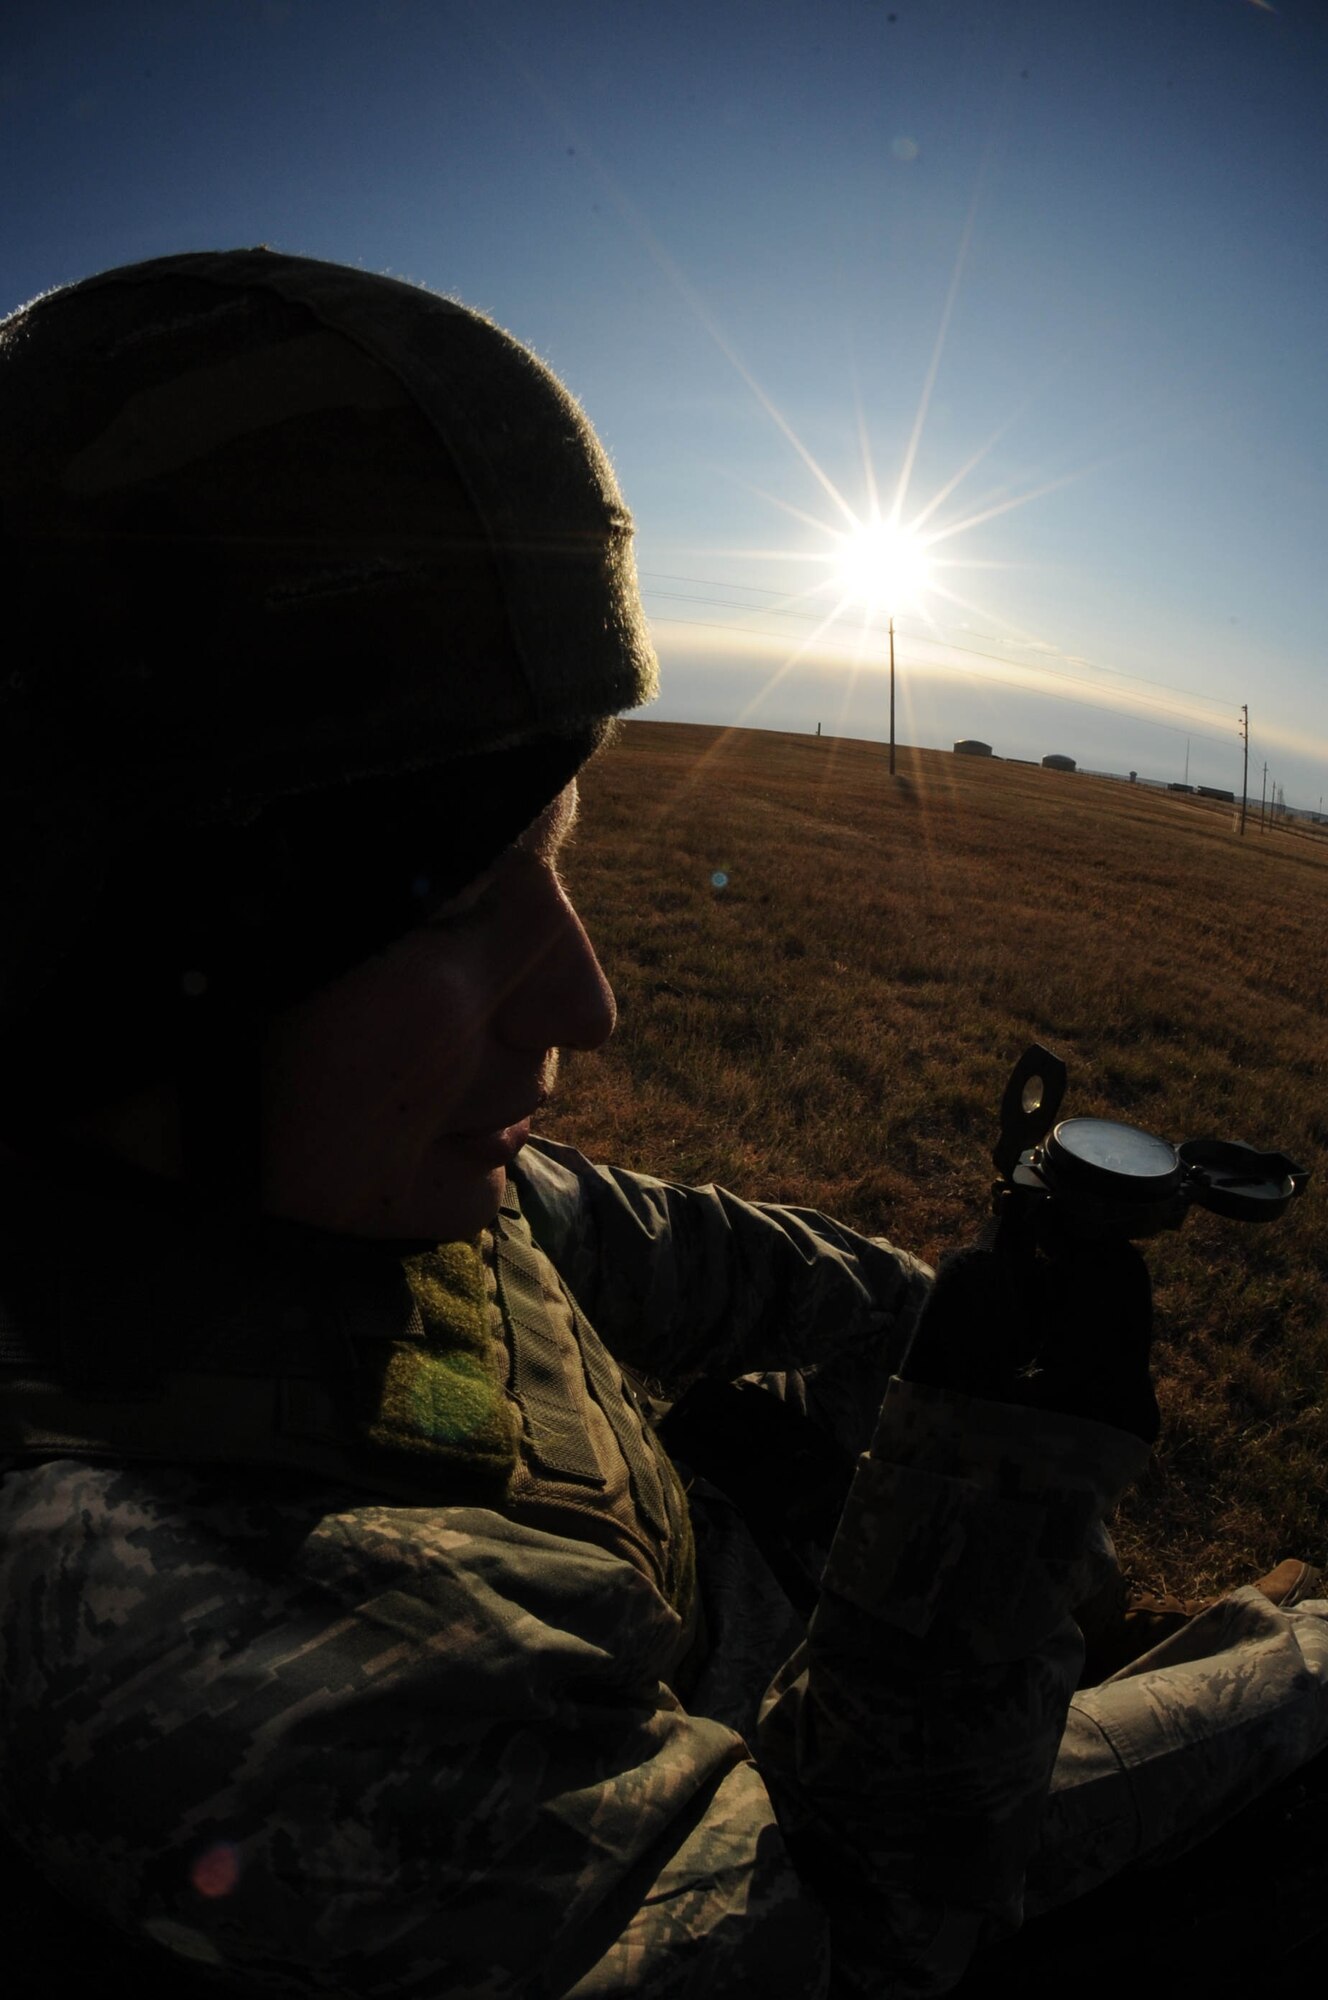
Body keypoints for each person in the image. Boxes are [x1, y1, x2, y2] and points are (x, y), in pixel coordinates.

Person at [0, 249, 1325, 2000]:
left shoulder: (332, 1177)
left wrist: (934, 1321)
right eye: (460, 897)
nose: (587, 1004)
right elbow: (846, 1917)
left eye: (557, 861)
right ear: (139, 962)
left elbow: (666, 1250)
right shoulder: (189, 1645)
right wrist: (1048, 1511)